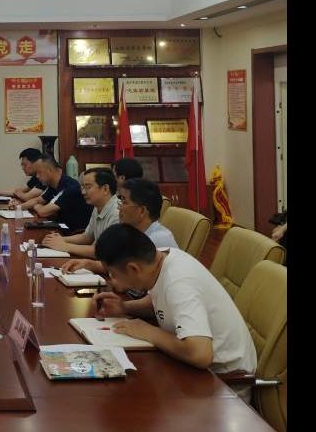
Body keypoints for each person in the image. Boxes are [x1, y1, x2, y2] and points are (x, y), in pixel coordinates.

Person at [92, 224, 256, 400]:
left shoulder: (179, 282)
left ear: (133, 269)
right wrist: (124, 307)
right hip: (192, 371)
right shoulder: (160, 258)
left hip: (223, 385)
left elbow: (200, 354)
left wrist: (147, 331)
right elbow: (162, 300)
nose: (112, 280)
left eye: (113, 274)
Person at [62, 177, 177, 274]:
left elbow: (131, 277)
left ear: (142, 211)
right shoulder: (132, 232)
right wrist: (88, 264)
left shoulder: (158, 239)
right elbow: (119, 265)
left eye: (124, 202)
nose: (119, 207)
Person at [42, 167, 118, 258]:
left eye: (88, 187)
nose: (83, 192)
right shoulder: (98, 206)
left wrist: (65, 246)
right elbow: (87, 237)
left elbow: (103, 251)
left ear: (105, 189)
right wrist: (60, 239)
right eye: (83, 187)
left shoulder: (117, 213)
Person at [9, 155, 91, 231]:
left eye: (39, 172)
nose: (37, 176)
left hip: (72, 232)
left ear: (49, 171)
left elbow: (43, 212)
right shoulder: (53, 185)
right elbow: (37, 200)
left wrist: (37, 206)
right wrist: (18, 207)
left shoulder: (70, 187)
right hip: (59, 226)